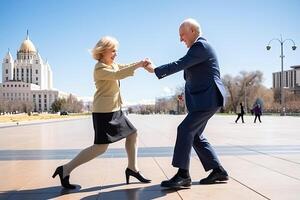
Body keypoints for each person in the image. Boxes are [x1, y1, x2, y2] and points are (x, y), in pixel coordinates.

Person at [52, 36, 151, 189]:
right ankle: (65, 169)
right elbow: (118, 75)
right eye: (113, 51)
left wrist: (141, 63)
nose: (115, 54)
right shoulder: (99, 68)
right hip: (104, 112)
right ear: (103, 52)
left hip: (115, 110)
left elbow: (123, 67)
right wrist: (138, 65)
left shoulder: (112, 65)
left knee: (133, 134)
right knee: (100, 148)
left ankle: (132, 168)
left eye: (116, 51)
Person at [144, 18, 229, 188]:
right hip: (205, 99)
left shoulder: (201, 46)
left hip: (208, 99)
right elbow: (194, 75)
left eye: (182, 35)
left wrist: (155, 70)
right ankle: (218, 171)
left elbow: (181, 64)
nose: (180, 39)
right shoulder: (198, 49)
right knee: (195, 135)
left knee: (184, 129)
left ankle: (183, 175)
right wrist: (185, 95)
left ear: (193, 31)